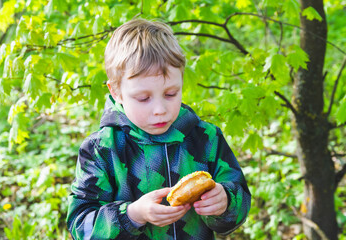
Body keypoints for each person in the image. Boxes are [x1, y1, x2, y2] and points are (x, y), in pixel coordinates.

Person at [66, 18, 251, 240]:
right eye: (143, 98)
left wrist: (226, 202)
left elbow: (239, 204)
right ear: (116, 92)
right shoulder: (102, 149)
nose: (160, 110)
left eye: (171, 94)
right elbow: (80, 225)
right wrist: (132, 215)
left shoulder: (206, 139)